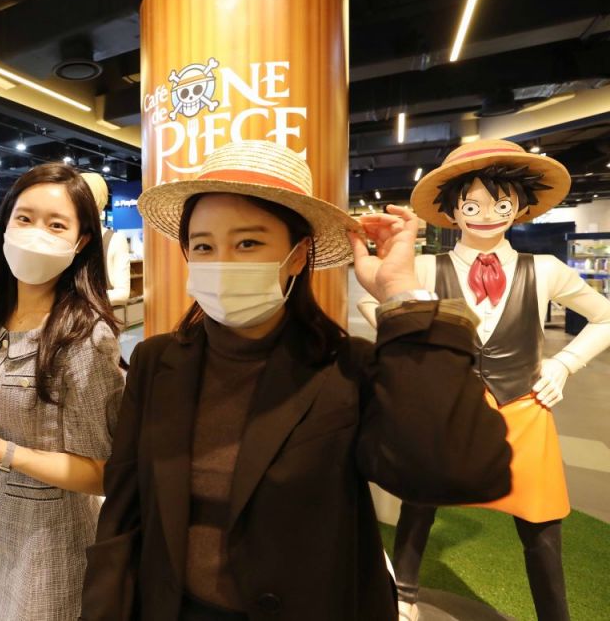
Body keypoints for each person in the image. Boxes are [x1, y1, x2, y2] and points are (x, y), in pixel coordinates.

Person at [80, 140, 511, 621]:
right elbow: (124, 504)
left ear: (299, 254)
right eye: (203, 246)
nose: (222, 262)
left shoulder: (347, 368)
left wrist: (402, 296)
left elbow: (455, 470)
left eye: (248, 243)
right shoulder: (156, 361)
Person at [358, 139, 610, 621]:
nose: (487, 215)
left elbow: (605, 316)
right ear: (452, 211)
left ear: (520, 207)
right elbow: (371, 301)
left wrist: (563, 364)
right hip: (449, 406)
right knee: (420, 499)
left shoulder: (545, 270)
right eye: (471, 205)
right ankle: (403, 594)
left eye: (501, 204)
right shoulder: (426, 268)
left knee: (542, 522)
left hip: (526, 408)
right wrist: (417, 341)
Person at [0, 163, 125, 620]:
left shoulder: (86, 337)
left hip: (49, 552)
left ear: (82, 241)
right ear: (6, 225)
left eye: (57, 225)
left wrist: (2, 450)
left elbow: (104, 474)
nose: (36, 234)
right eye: (25, 218)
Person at [81, 172, 132, 306]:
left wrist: (81, 300)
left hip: (97, 314)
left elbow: (122, 293)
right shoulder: (68, 237)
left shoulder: (114, 240)